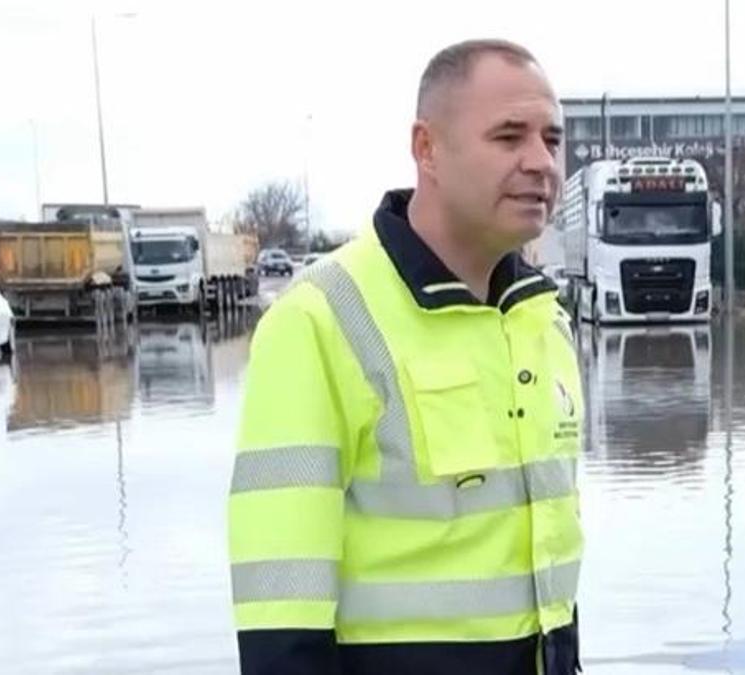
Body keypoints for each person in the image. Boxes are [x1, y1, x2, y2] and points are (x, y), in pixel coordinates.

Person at [227, 39, 584, 675]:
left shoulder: (542, 320)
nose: (541, 162)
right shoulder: (319, 320)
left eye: (551, 140)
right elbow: (280, 615)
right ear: (427, 149)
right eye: (509, 137)